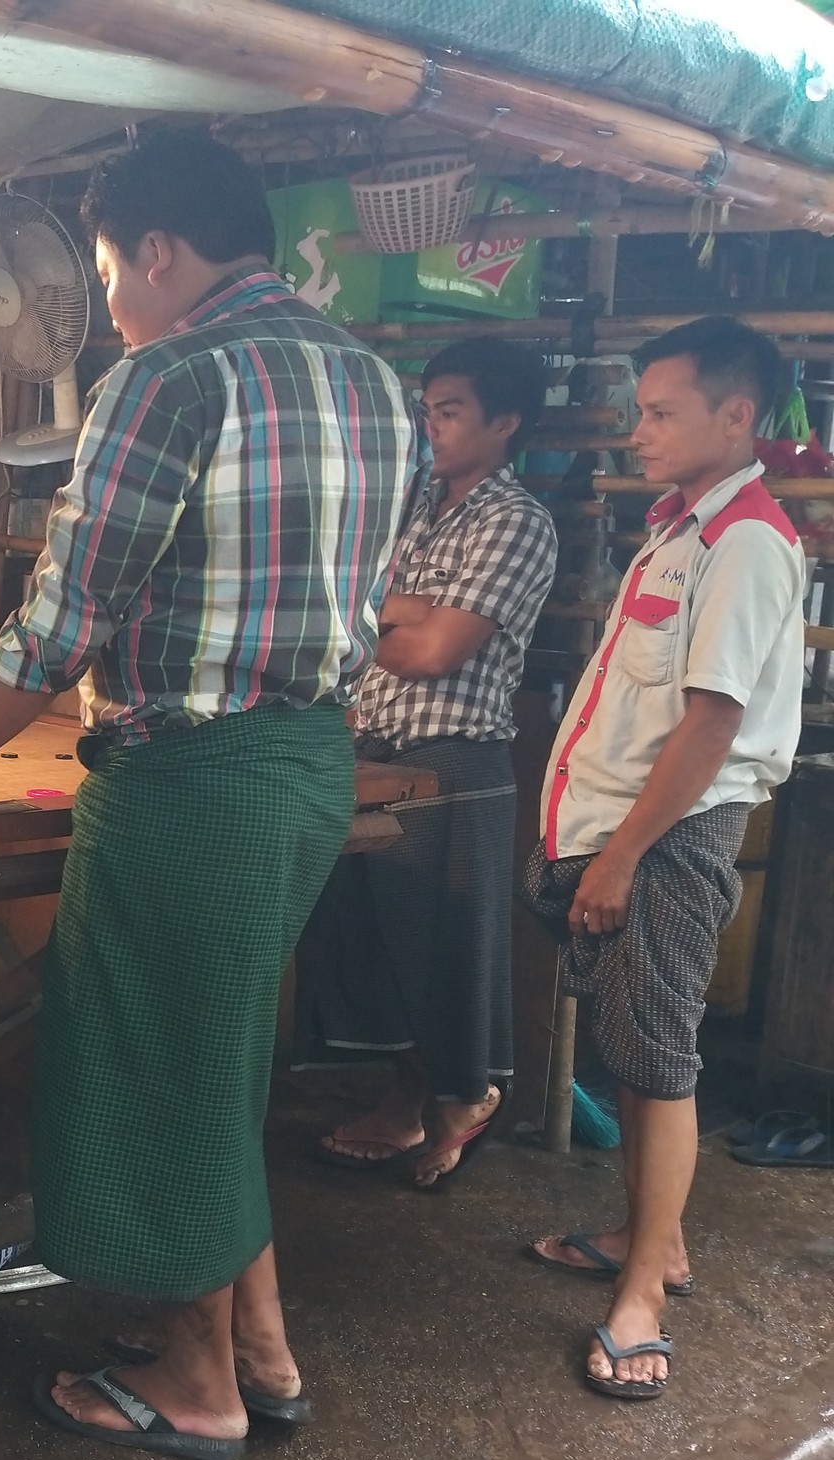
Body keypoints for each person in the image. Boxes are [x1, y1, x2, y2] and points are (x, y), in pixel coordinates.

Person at [0, 129, 415, 1460]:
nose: (111, 301)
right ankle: (259, 1350)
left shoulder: (169, 374)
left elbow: (59, 622)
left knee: (157, 1070)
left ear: (156, 249)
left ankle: (197, 1381)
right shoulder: (375, 382)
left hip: (193, 785)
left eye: (106, 270)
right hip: (310, 767)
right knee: (214, 1060)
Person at [521, 317, 804, 1400]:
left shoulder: (743, 541)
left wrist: (623, 855)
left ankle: (641, 1295)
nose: (634, 431)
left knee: (659, 1058)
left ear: (734, 416)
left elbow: (708, 724)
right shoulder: (679, 529)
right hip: (628, 830)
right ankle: (655, 1240)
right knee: (636, 1049)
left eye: (658, 412)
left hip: (669, 836)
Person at [297, 337, 559, 1188]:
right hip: (366, 747)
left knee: (436, 943)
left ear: (505, 422)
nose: (430, 427)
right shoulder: (411, 506)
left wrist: (384, 611)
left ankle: (461, 1095)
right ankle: (411, 1099)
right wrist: (394, 610)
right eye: (427, 409)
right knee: (362, 936)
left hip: (452, 763)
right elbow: (341, 600)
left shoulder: (516, 522)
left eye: (450, 412)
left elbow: (432, 651)